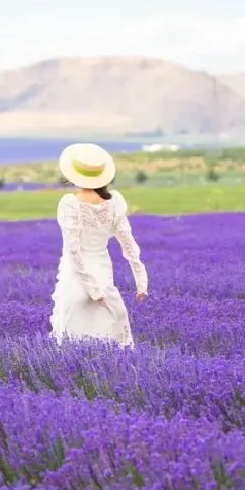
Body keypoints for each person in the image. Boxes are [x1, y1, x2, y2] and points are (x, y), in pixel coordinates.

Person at [49, 142, 148, 348]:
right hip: (101, 267)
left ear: (74, 175)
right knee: (107, 323)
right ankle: (112, 369)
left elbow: (73, 250)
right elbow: (128, 243)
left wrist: (91, 289)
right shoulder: (114, 204)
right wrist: (141, 280)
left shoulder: (70, 205)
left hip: (75, 272)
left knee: (72, 322)